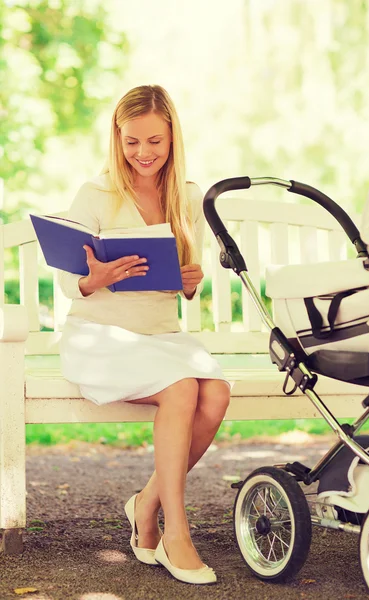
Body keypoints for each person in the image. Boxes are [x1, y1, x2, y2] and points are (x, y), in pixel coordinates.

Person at [58, 84, 231, 585]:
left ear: (172, 136)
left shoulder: (188, 197)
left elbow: (185, 280)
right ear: (118, 138)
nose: (143, 153)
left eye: (154, 141)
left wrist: (191, 280)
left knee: (214, 393)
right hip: (100, 335)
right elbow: (72, 282)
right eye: (132, 141)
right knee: (182, 388)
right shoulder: (95, 194)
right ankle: (173, 530)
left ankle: (145, 503)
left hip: (160, 335)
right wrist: (99, 278)